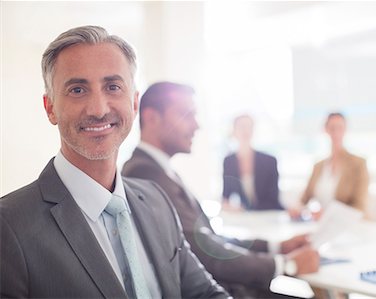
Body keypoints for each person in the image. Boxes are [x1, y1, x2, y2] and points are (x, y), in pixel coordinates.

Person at [0, 26, 228, 298]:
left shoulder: (156, 201)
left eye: (113, 87)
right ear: (50, 108)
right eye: (77, 89)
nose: (98, 109)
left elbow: (205, 293)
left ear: (134, 103)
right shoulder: (9, 225)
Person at [122, 82, 320, 298]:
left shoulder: (161, 169)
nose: (196, 125)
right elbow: (204, 252)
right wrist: (285, 265)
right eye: (186, 115)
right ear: (152, 118)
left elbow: (210, 239)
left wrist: (276, 247)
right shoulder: (144, 173)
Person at [290, 112, 369, 219]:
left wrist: (327, 215)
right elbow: (304, 198)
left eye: (340, 128)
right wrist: (297, 208)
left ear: (345, 129)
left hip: (348, 225)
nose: (336, 133)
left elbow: (359, 207)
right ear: (326, 130)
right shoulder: (318, 166)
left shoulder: (358, 164)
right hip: (322, 225)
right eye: (332, 128)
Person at [222, 114, 283, 211]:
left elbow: (273, 199)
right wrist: (229, 207)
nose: (245, 131)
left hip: (269, 214)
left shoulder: (270, 161)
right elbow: (226, 197)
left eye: (249, 126)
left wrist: (247, 211)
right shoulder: (229, 162)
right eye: (241, 127)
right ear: (234, 131)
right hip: (245, 218)